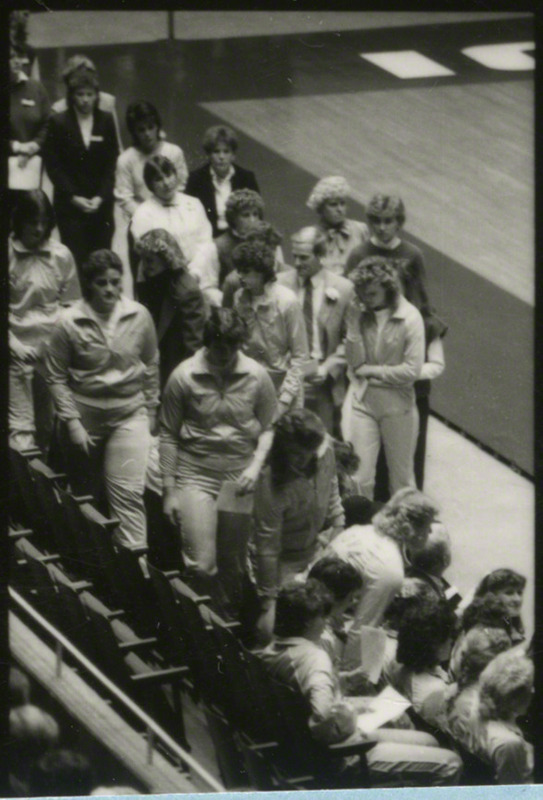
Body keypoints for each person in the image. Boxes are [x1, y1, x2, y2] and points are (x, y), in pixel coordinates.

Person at [260, 580, 463, 787]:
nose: (326, 621)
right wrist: (352, 717)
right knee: (451, 762)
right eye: (322, 616)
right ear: (308, 622)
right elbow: (322, 719)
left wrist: (344, 681)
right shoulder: (314, 659)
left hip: (309, 743)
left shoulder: (271, 651)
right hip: (345, 753)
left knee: (429, 741)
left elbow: (307, 690)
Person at [159, 307, 277, 609]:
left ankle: (225, 630)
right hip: (196, 472)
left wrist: (255, 466)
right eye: (218, 349)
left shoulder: (257, 376)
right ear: (207, 343)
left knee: (233, 564)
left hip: (238, 478)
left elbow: (270, 428)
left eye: (231, 349)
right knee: (201, 564)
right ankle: (198, 624)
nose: (224, 356)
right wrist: (169, 491)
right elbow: (169, 435)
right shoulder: (183, 376)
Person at [44, 250, 159, 549]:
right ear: (88, 284)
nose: (109, 288)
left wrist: (152, 409)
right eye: (101, 282)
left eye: (115, 281)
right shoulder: (68, 322)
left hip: (129, 414)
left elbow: (151, 363)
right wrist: (72, 423)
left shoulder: (139, 315)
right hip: (85, 415)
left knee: (128, 494)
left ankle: (136, 572)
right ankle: (89, 564)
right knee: (85, 494)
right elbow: (55, 376)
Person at [253, 409, 345, 640]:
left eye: (309, 454)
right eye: (295, 454)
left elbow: (332, 493)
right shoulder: (269, 482)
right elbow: (268, 548)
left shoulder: (324, 453)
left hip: (316, 550)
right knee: (287, 631)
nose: (303, 461)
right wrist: (268, 601)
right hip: (280, 562)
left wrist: (336, 530)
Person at [342, 256, 425, 499]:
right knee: (358, 477)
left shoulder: (410, 318)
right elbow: (356, 363)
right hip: (364, 404)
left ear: (388, 290)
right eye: (362, 293)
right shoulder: (360, 312)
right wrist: (354, 325)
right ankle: (359, 530)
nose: (365, 300)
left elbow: (411, 371)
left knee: (401, 480)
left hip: (399, 407)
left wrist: (373, 371)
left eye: (372, 294)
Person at [9, 190, 81, 452]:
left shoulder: (61, 255)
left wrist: (53, 344)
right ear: (19, 221)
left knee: (46, 426)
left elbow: (71, 306)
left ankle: (39, 490)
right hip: (16, 354)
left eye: (43, 222)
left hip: (51, 353)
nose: (38, 229)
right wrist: (15, 346)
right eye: (32, 221)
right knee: (21, 430)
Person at [322, 487, 439, 629]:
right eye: (428, 524)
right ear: (412, 528)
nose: (431, 530)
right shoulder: (389, 564)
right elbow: (362, 632)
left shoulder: (357, 531)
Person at [42, 56, 119, 271]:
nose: (85, 99)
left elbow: (112, 162)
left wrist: (101, 196)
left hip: (101, 206)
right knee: (76, 262)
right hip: (70, 208)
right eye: (80, 94)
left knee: (102, 262)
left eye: (90, 94)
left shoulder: (106, 120)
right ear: (72, 96)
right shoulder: (58, 122)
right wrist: (74, 197)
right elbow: (53, 166)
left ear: (97, 96)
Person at [277, 226, 356, 434]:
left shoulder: (344, 289)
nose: (297, 263)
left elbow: (351, 339)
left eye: (304, 257)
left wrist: (329, 367)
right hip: (287, 376)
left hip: (323, 382)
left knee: (322, 441)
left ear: (320, 255)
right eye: (294, 256)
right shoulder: (281, 284)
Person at [232, 239, 309, 414]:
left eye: (246, 271)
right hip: (249, 386)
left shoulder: (287, 301)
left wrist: (285, 400)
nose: (240, 276)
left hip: (283, 388)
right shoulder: (239, 298)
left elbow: (301, 356)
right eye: (239, 270)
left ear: (261, 272)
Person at [136, 228, 206, 390]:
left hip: (176, 360)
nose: (145, 266)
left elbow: (194, 344)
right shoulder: (148, 279)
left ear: (165, 259)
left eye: (150, 260)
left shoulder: (187, 290)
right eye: (143, 260)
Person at [130, 154, 212, 281]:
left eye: (168, 175)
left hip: (198, 274)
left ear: (175, 174)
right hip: (163, 280)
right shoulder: (143, 213)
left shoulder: (194, 203)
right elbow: (151, 256)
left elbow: (205, 242)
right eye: (158, 179)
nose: (166, 183)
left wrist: (195, 271)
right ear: (150, 185)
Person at [385, 595, 457, 728]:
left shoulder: (399, 666)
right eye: (449, 635)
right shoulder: (437, 690)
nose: (452, 640)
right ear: (434, 644)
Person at [189, 188, 265, 305]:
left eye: (256, 214)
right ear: (233, 218)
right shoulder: (217, 246)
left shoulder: (267, 242)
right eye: (246, 215)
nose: (253, 220)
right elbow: (208, 287)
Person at [115, 101, 188, 222]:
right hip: (141, 218)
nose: (147, 134)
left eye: (151, 127)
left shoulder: (174, 152)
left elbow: (180, 186)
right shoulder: (125, 159)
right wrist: (148, 217)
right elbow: (124, 197)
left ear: (157, 127)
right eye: (141, 130)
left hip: (173, 215)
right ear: (134, 132)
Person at [185, 124, 260, 237]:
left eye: (226, 151)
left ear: (233, 155)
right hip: (208, 239)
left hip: (241, 238)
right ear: (209, 155)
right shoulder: (196, 179)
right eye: (216, 151)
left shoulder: (246, 178)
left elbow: (258, 215)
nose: (221, 157)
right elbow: (189, 217)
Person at [9, 44, 50, 201]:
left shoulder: (36, 88)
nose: (17, 61)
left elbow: (47, 122)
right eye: (10, 57)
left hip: (31, 166)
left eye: (18, 57)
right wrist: (17, 147)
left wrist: (33, 146)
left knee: (30, 215)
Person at [306, 176, 369, 275]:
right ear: (320, 207)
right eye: (333, 204)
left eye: (343, 203)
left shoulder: (360, 229)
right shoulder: (310, 236)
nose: (340, 209)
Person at [473, 569, 526, 644]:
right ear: (491, 597)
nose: (518, 599)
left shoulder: (507, 621)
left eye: (519, 593)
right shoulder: (481, 633)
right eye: (509, 593)